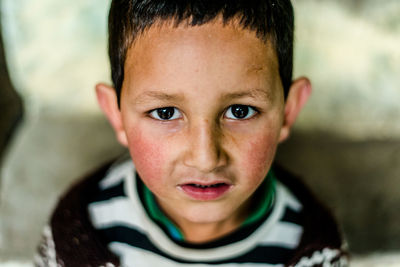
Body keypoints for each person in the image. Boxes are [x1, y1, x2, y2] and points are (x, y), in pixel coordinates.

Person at [35, 0, 348, 266]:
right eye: (165, 112)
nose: (205, 158)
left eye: (240, 111)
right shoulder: (72, 244)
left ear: (288, 111)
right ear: (116, 115)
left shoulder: (316, 253)